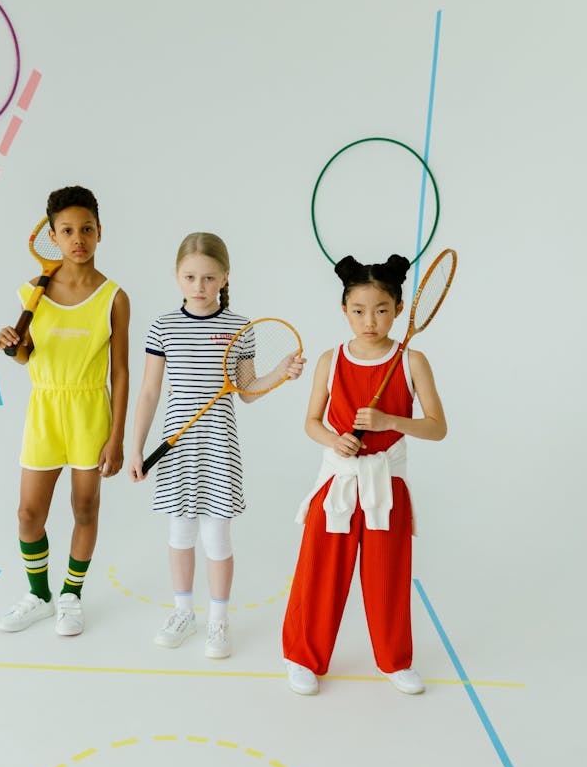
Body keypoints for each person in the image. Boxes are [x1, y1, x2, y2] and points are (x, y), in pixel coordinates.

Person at [129, 232, 304, 659]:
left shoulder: (240, 328)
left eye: (209, 278)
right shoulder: (163, 326)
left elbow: (246, 390)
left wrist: (280, 373)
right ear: (176, 277)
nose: (199, 287)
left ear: (225, 277)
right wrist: (137, 447)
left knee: (217, 538)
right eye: (190, 277)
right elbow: (150, 391)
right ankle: (183, 613)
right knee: (180, 533)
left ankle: (218, 621)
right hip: (176, 448)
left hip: (219, 448)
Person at [282, 254, 446, 696]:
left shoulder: (413, 361)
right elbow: (312, 422)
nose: (369, 320)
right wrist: (334, 440)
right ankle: (303, 657)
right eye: (358, 310)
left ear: (397, 309)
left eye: (380, 310)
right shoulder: (329, 360)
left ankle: (395, 661)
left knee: (388, 575)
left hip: (385, 486)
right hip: (337, 483)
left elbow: (437, 427)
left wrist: (392, 422)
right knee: (319, 573)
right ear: (344, 310)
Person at [0, 185, 130, 636]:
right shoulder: (32, 292)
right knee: (28, 514)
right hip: (45, 409)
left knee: (85, 508)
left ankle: (72, 594)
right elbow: (26, 356)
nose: (78, 239)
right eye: (68, 230)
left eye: (86, 229)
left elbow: (121, 372)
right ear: (52, 236)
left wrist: (117, 436)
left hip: (91, 410)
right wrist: (12, 345)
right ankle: (39, 594)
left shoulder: (114, 296)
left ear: (99, 233)